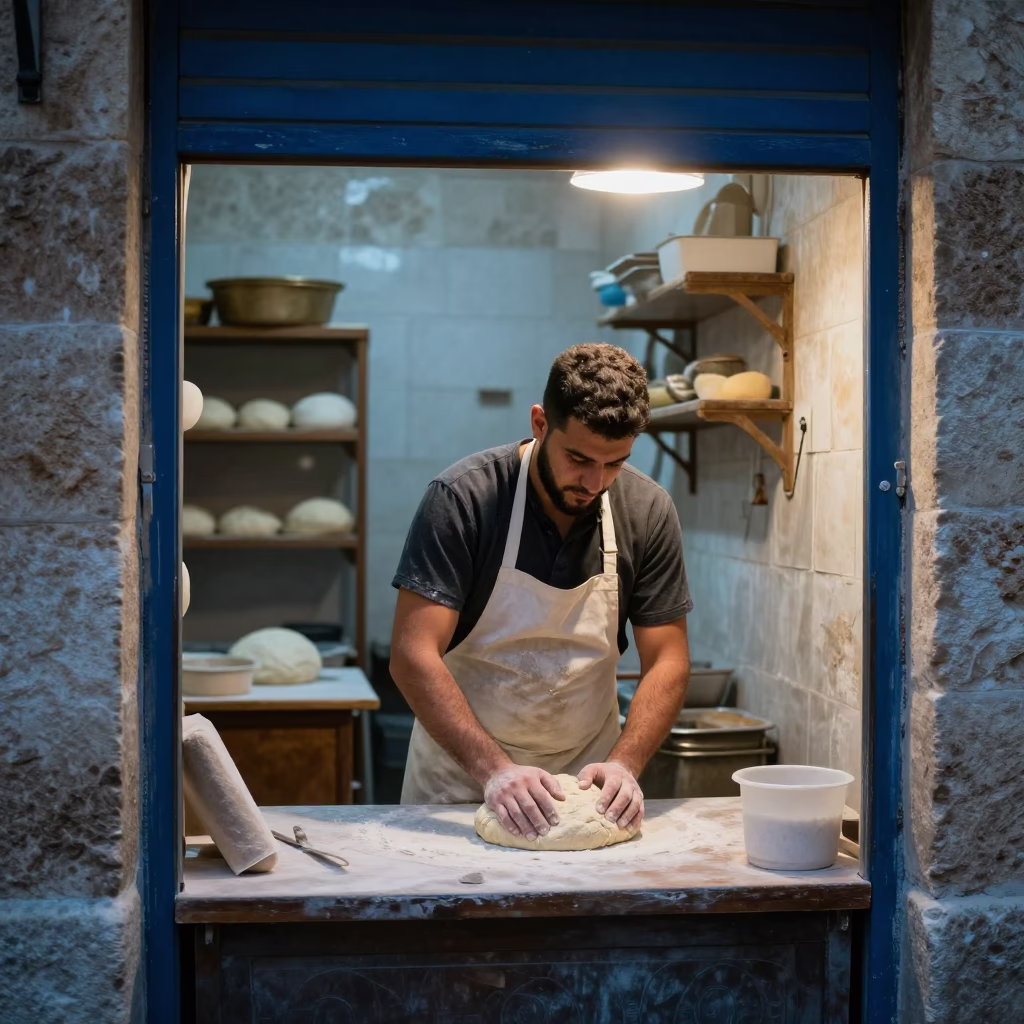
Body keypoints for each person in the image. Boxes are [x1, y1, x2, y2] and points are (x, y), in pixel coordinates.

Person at [389, 343, 691, 840]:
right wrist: (496, 771)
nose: (594, 482)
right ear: (539, 422)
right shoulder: (465, 499)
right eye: (578, 458)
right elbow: (412, 654)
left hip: (586, 791)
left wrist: (625, 764)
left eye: (614, 463)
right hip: (459, 788)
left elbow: (668, 659)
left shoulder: (646, 510)